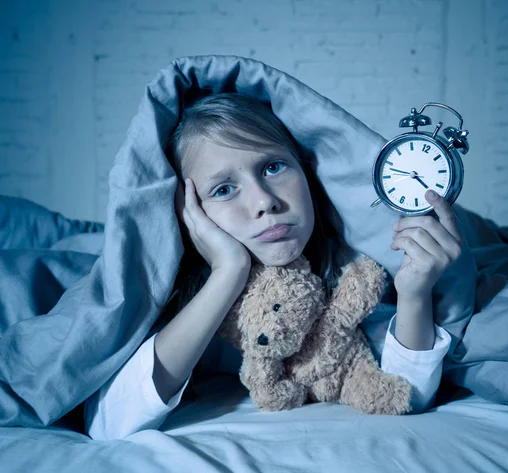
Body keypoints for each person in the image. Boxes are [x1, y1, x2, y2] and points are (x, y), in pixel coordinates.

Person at [84, 92, 463, 440]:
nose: (264, 201)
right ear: (189, 212)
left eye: (273, 167)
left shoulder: (355, 268)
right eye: (224, 189)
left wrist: (415, 295)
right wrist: (227, 273)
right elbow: (108, 423)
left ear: (306, 171)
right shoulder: (178, 294)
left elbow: (405, 394)